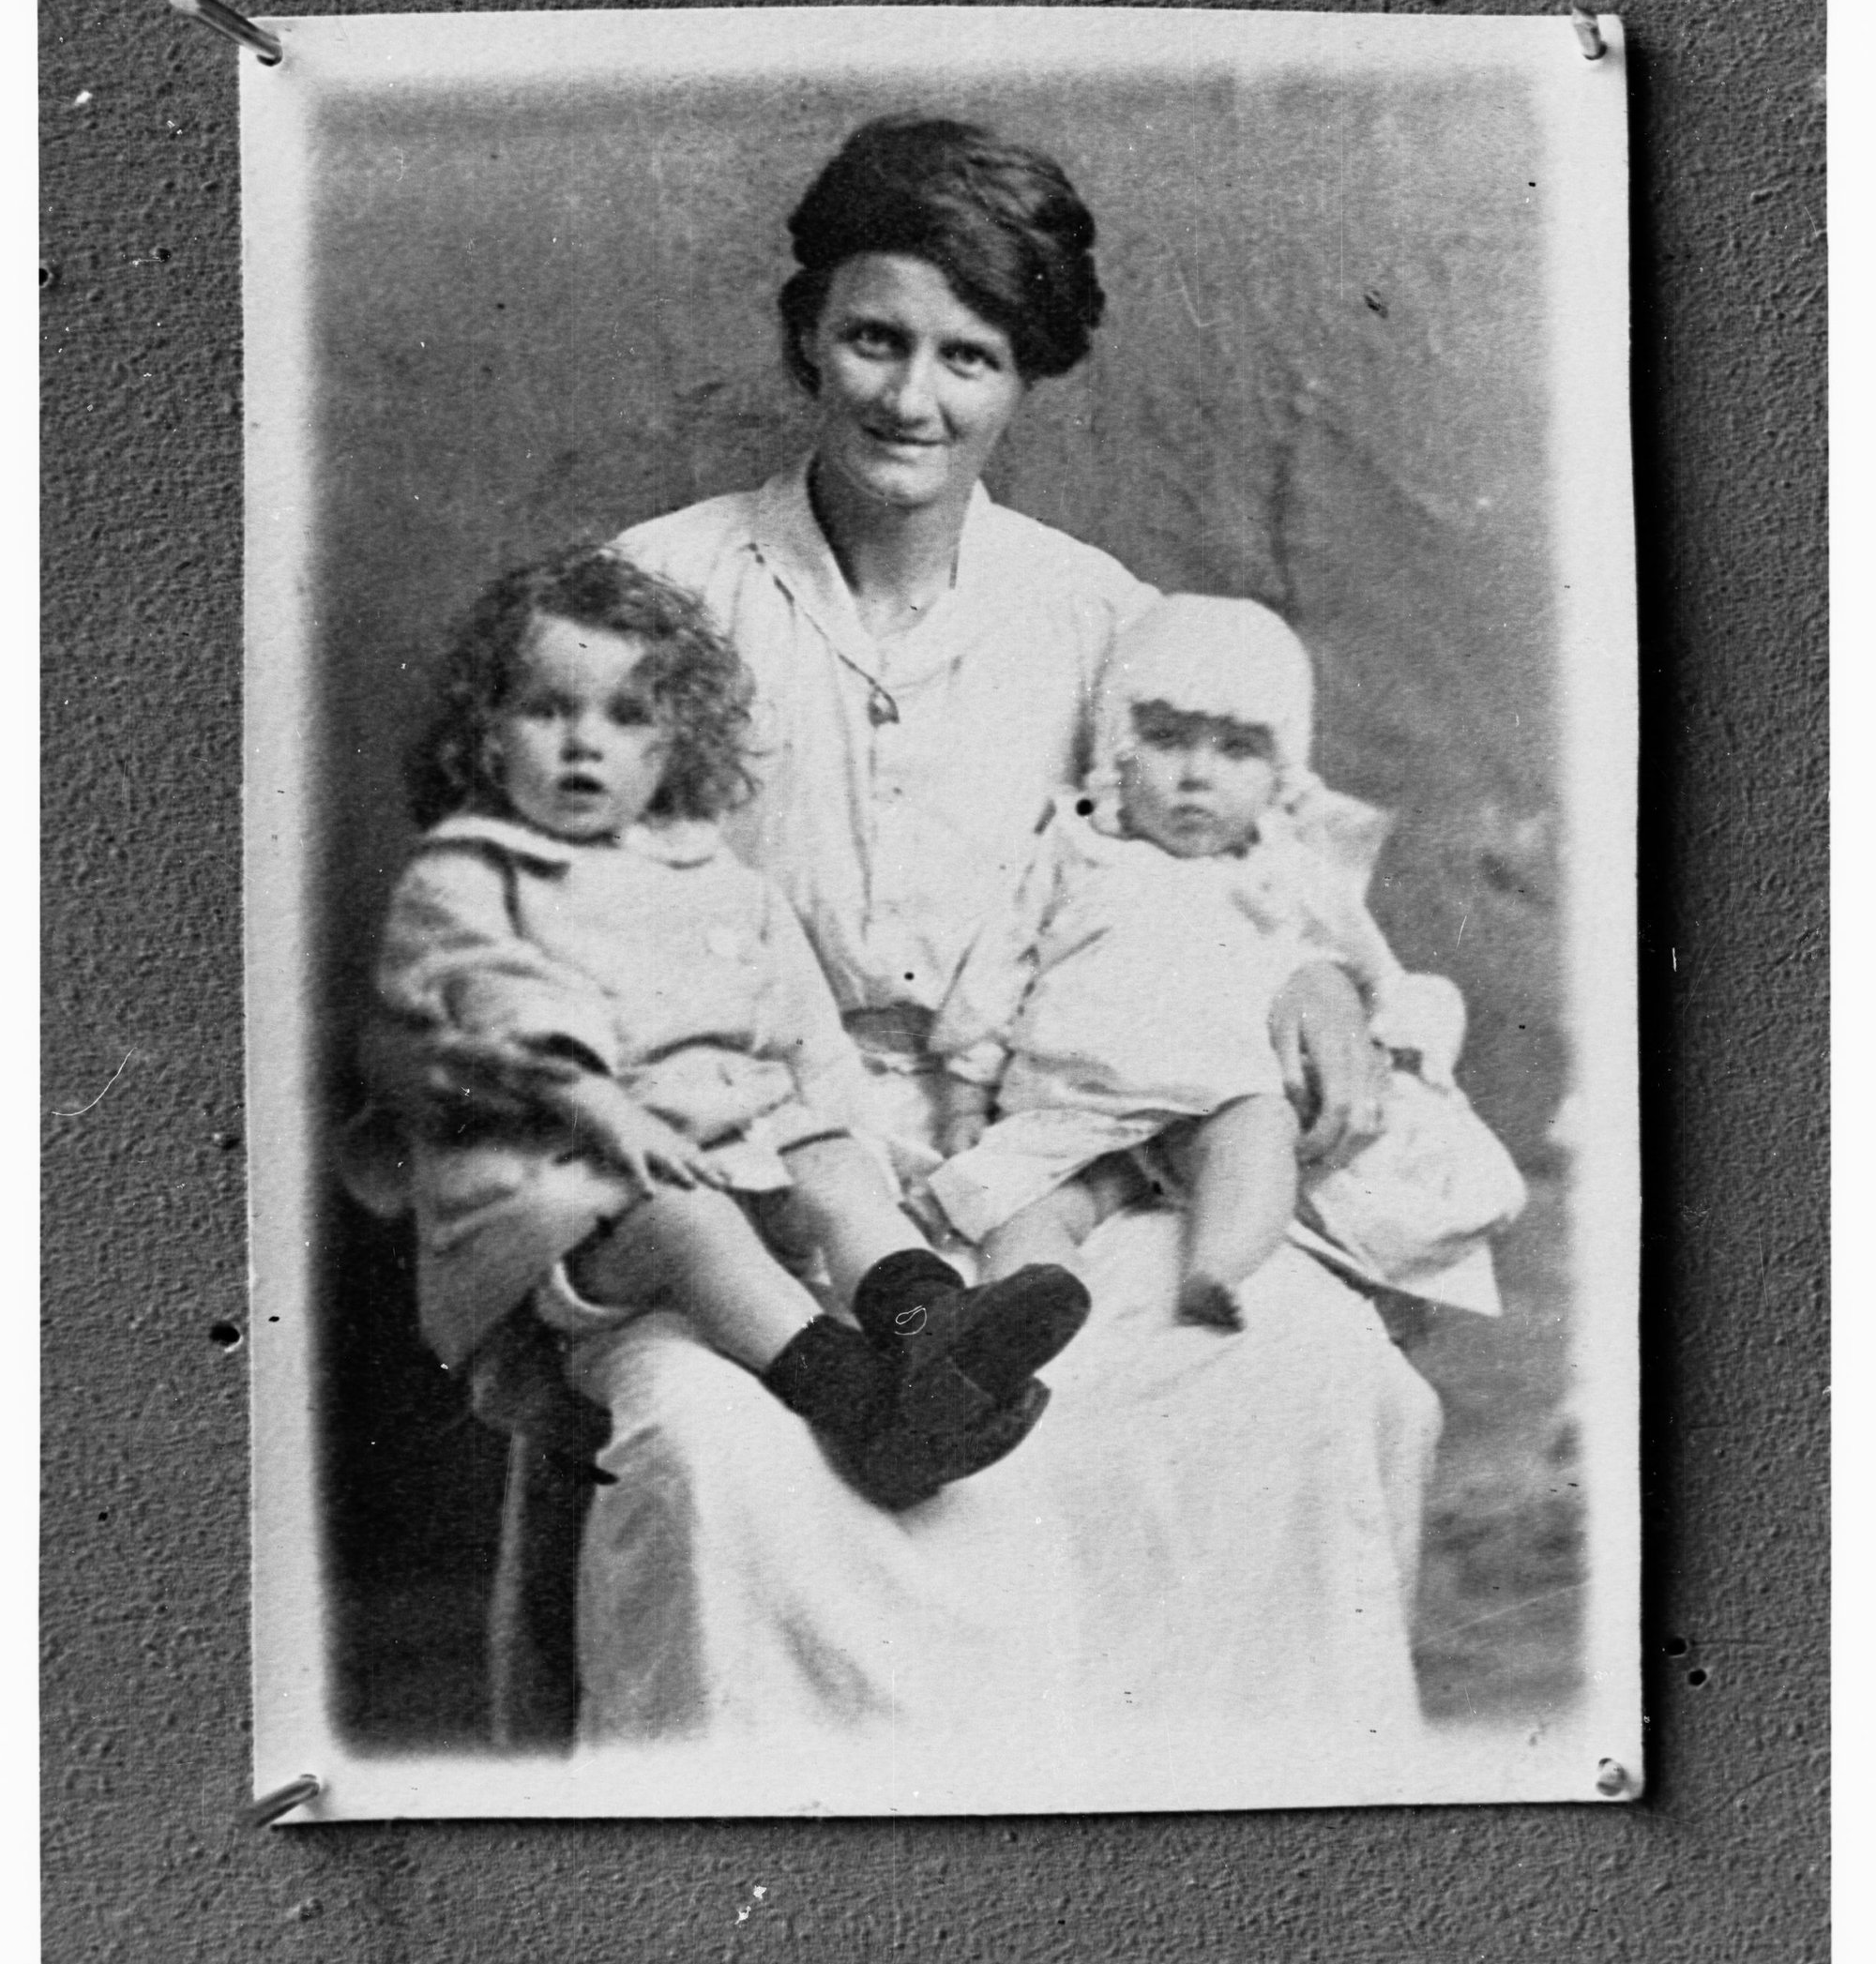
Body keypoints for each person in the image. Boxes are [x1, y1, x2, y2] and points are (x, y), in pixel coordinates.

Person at [382, 113, 1445, 1770]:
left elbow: (1234, 828)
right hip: (742, 1176)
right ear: (809, 330)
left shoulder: (1097, 613)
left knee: (1308, 1373)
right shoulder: (653, 596)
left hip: (1019, 1172)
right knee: (728, 1468)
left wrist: (1303, 966)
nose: (911, 397)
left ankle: (1225, 1848)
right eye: (875, 338)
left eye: (970, 357)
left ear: (1027, 379)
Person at [367, 542, 1088, 1512]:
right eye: (547, 709)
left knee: (832, 1166)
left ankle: (932, 1331)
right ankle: (869, 1409)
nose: (585, 742)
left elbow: (803, 1035)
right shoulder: (468, 873)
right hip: (584, 1202)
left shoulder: (712, 877)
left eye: (626, 717)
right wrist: (603, 1107)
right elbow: (500, 1000)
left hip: (743, 1155)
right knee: (688, 1219)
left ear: (670, 745)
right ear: (489, 733)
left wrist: (846, 1138)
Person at [925, 594, 1527, 1331]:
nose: (1196, 776)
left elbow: (1370, 974)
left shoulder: (1284, 871)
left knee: (1256, 1137)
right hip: (1077, 1099)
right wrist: (963, 1094)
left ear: (1280, 771)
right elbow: (998, 969)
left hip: (1215, 1098)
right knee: (1032, 1208)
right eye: (1168, 739)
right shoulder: (1075, 849)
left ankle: (1217, 1268)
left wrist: (1393, 1034)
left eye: (1235, 750)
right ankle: (1028, 1317)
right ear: (1117, 745)